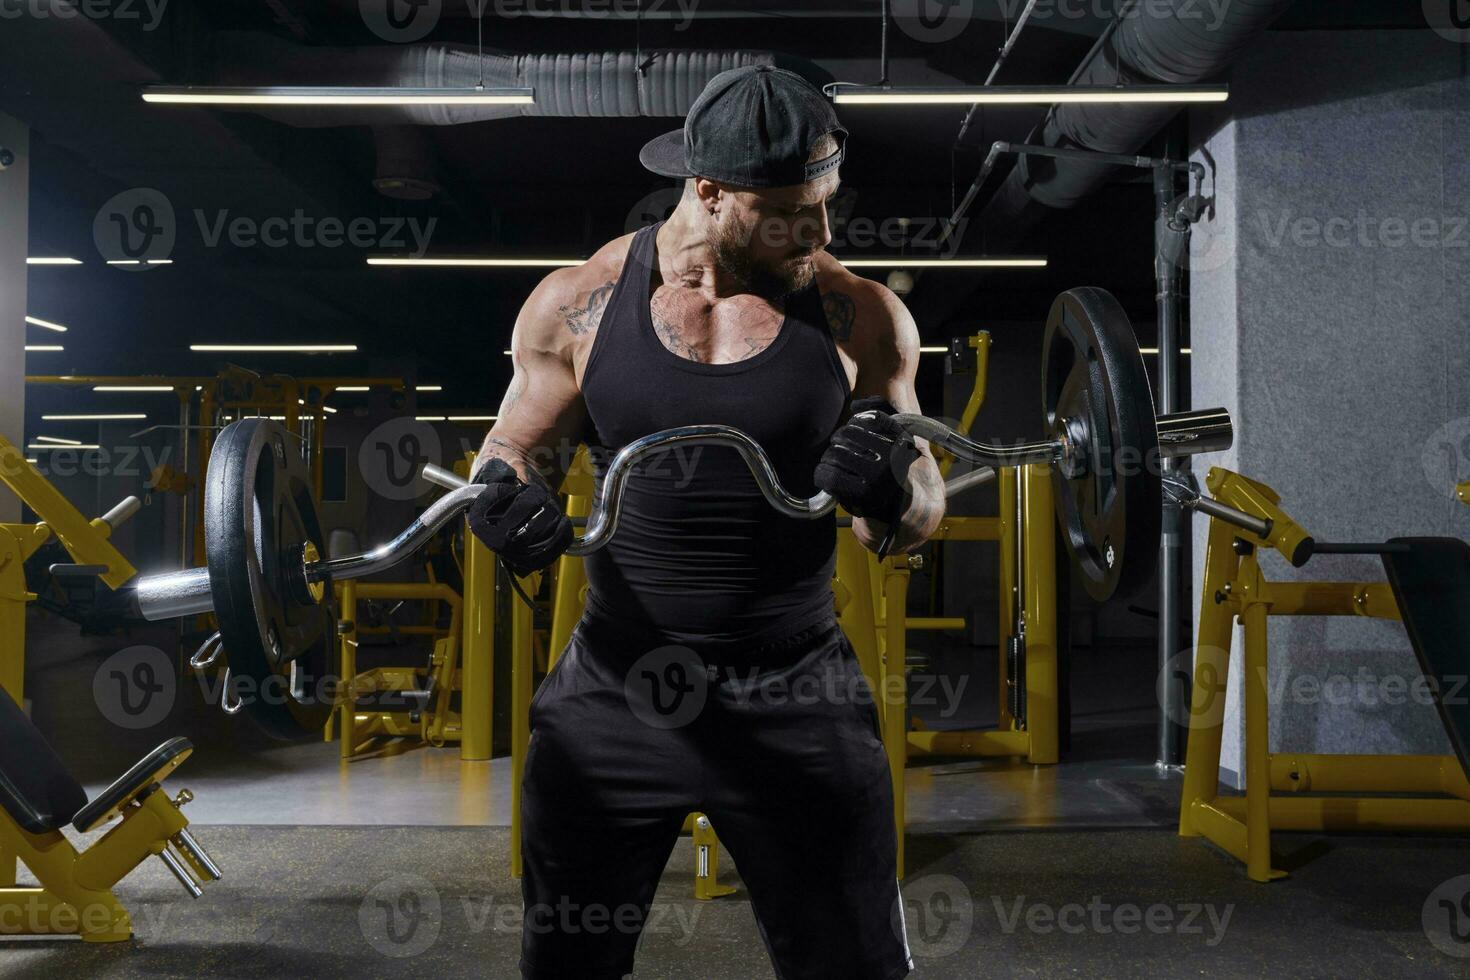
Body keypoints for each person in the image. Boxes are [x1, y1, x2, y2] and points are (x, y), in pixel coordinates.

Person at [466, 64, 945, 980]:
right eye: (791, 212)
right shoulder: (581, 301)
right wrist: (504, 500)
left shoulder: (862, 316)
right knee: (567, 963)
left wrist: (891, 493)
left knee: (856, 965)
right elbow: (511, 445)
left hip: (795, 688)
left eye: (826, 203)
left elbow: (923, 504)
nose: (820, 232)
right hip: (615, 689)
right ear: (710, 190)